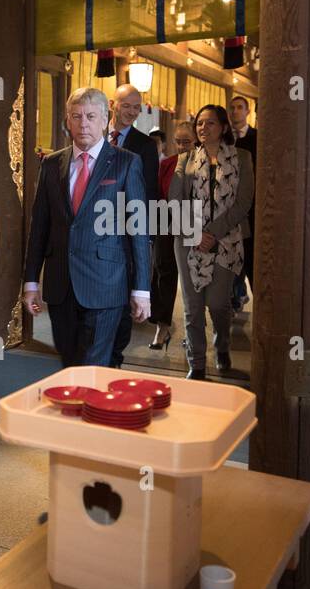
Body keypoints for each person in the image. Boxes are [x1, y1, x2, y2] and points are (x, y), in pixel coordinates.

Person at [23, 87, 152, 367]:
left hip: (106, 283)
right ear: (67, 121)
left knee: (94, 366)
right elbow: (39, 227)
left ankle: (96, 411)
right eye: (76, 116)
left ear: (105, 119)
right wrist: (31, 280)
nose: (83, 123)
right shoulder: (51, 164)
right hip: (60, 285)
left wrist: (142, 289)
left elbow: (139, 230)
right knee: (69, 363)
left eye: (91, 116)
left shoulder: (126, 163)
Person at [169, 105, 253, 380]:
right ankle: (197, 363)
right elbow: (175, 200)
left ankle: (222, 344)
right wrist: (196, 233)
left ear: (224, 127)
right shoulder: (186, 159)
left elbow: (244, 202)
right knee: (192, 306)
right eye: (200, 124)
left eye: (210, 123)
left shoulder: (242, 157)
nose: (203, 128)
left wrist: (213, 232)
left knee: (218, 303)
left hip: (227, 241)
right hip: (188, 240)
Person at [107, 83, 159, 367]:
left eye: (136, 108)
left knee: (124, 294)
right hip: (95, 231)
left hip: (126, 233)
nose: (131, 112)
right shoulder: (97, 134)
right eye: (126, 106)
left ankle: (114, 357)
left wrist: (145, 237)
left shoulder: (145, 145)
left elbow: (148, 192)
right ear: (112, 105)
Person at [149, 119, 197, 350]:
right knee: (162, 272)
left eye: (186, 142)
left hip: (194, 224)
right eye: (177, 142)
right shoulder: (167, 164)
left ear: (196, 140)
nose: (181, 147)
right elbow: (158, 195)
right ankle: (162, 326)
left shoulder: (204, 164)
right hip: (166, 223)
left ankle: (193, 330)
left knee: (192, 278)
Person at [228, 95, 257, 313]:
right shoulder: (224, 138)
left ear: (248, 111)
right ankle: (234, 301)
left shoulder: (259, 137)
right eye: (232, 108)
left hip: (253, 209)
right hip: (227, 210)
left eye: (240, 108)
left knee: (253, 259)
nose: (236, 111)